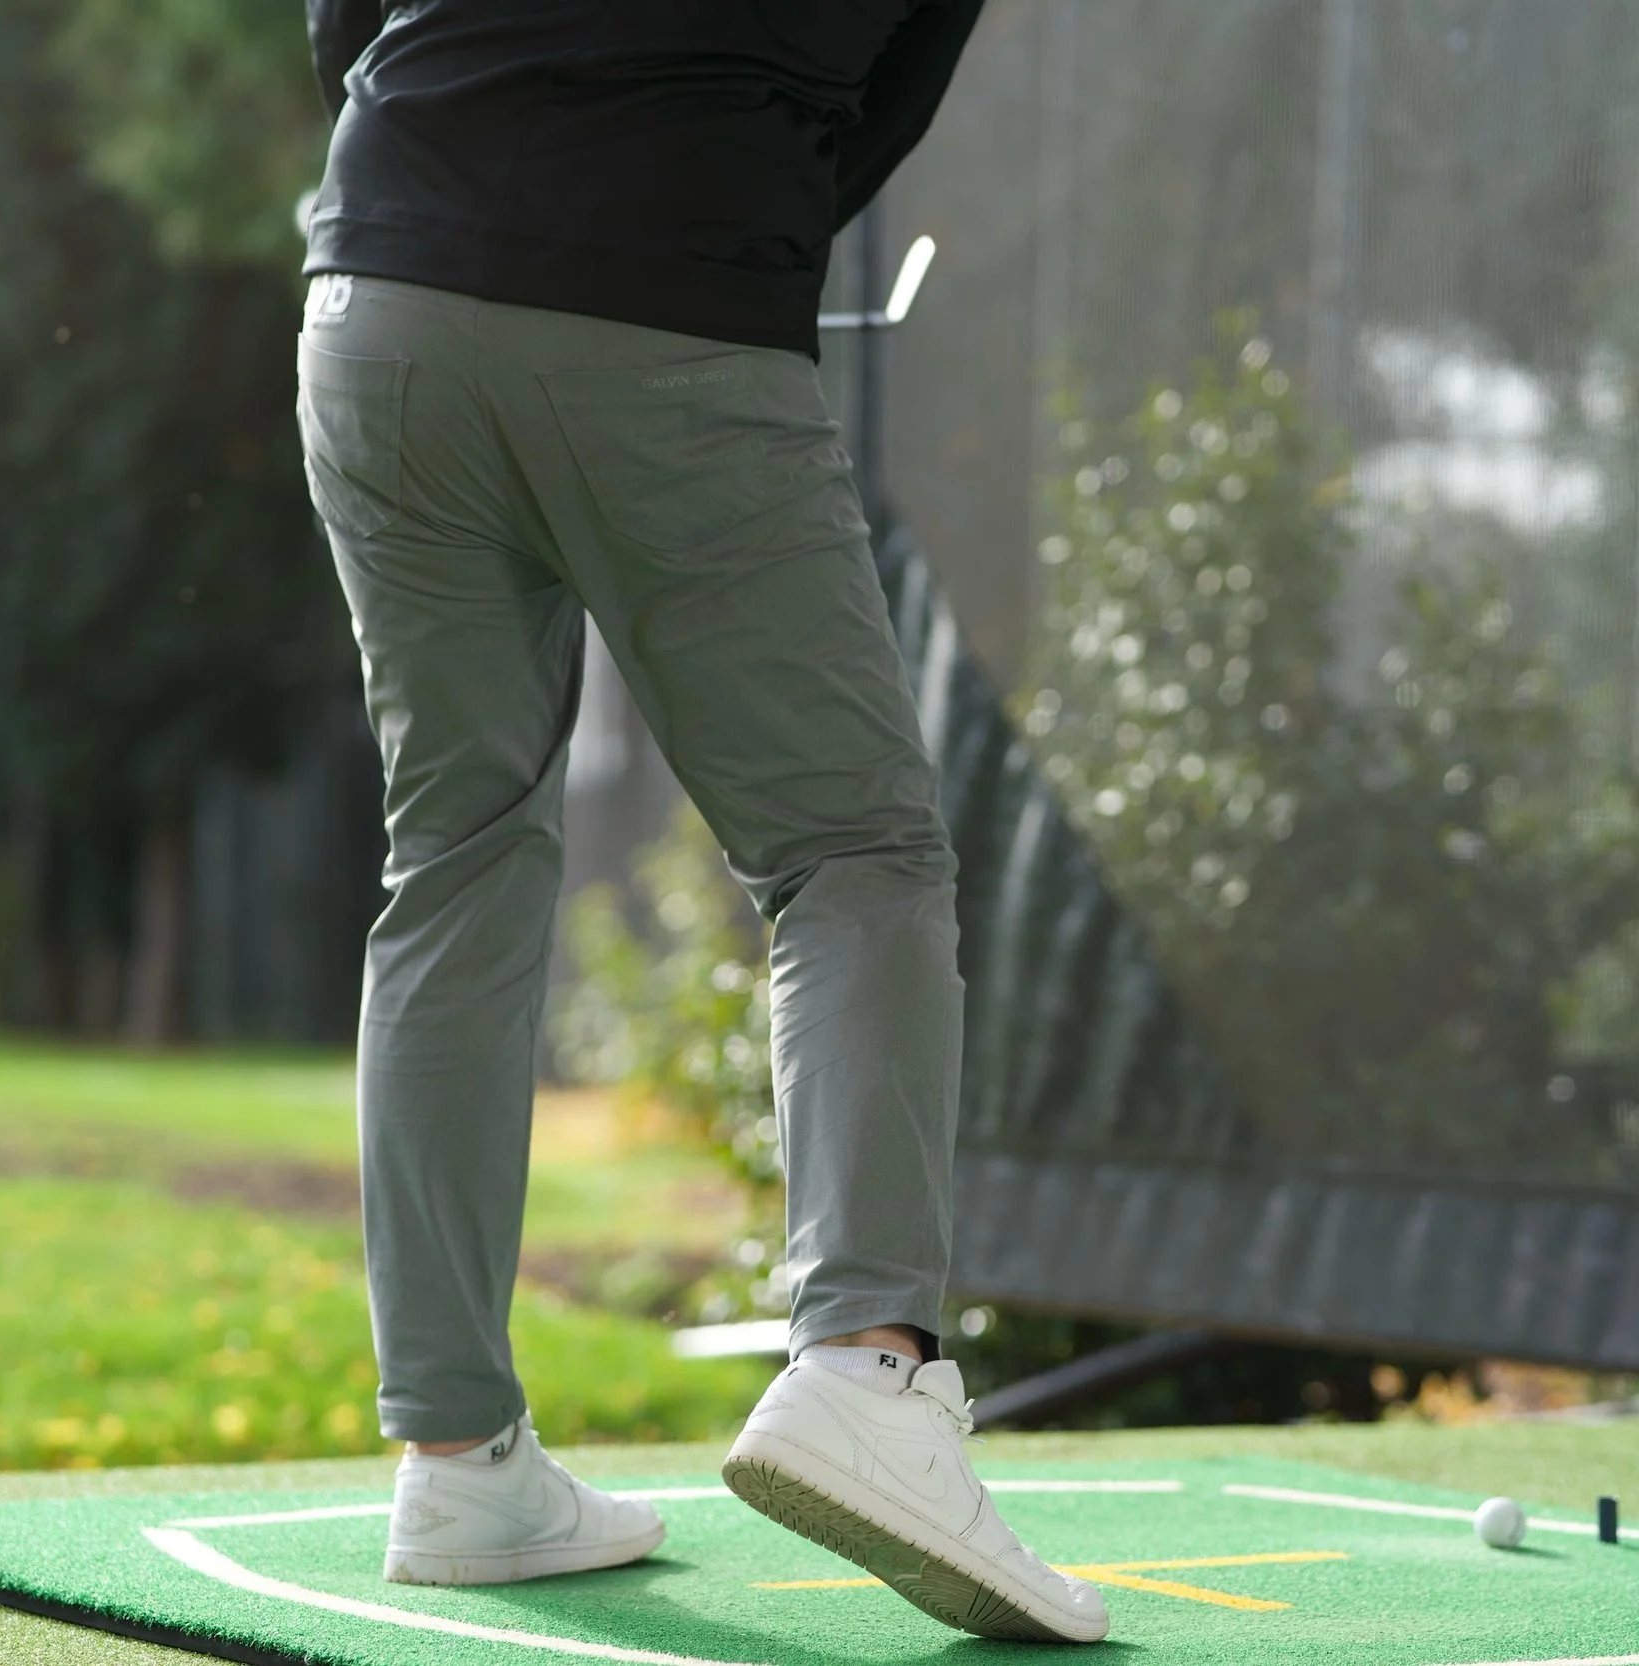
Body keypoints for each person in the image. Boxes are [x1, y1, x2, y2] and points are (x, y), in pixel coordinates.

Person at [296, 1, 1108, 1646]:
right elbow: (878, 104)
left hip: (387, 279)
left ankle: (457, 1457)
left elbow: (344, 20)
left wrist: (475, 146)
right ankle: (868, 1363)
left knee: (453, 859)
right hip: (666, 292)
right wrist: (717, 217)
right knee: (851, 853)